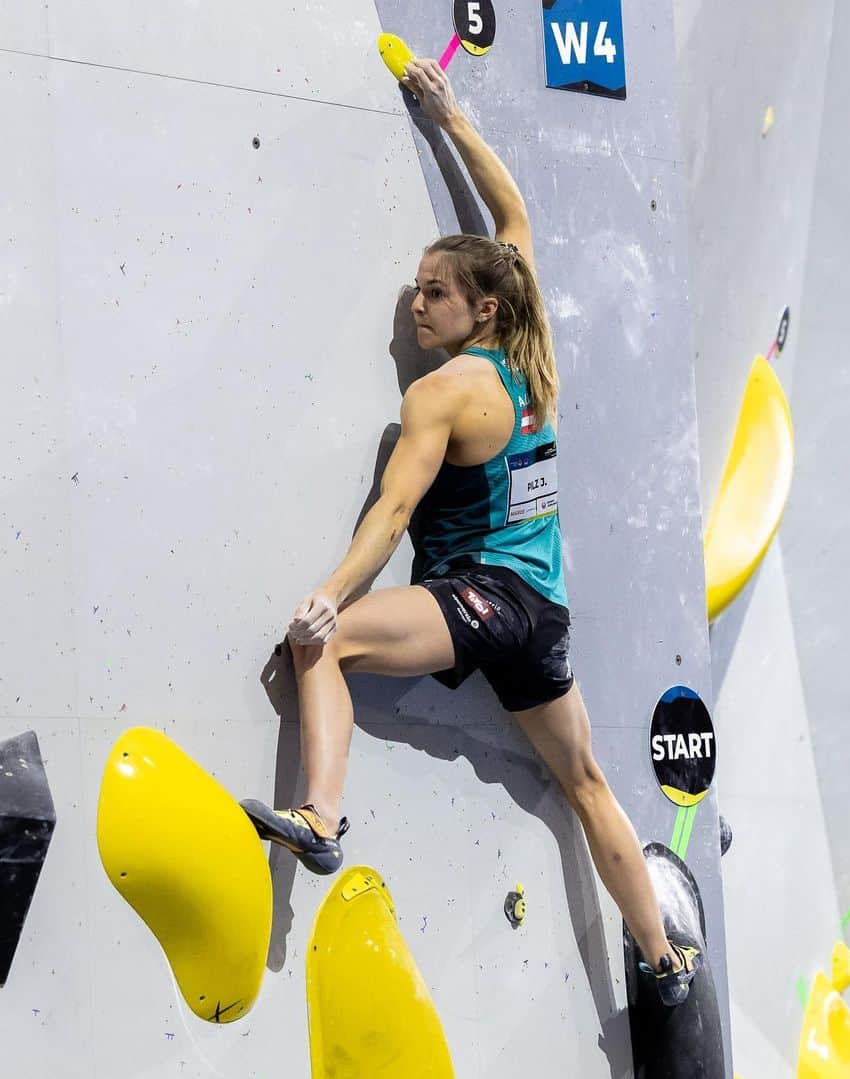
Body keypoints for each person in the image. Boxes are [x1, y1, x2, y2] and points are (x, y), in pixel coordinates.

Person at [241, 58, 699, 1006]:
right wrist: (451, 121)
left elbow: (394, 512)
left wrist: (335, 591)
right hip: (543, 614)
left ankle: (322, 815)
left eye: (434, 293)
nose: (416, 304)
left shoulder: (443, 393)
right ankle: (664, 956)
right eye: (416, 288)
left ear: (479, 308)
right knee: (587, 784)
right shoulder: (533, 360)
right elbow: (515, 217)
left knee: (318, 644)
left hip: (479, 599)